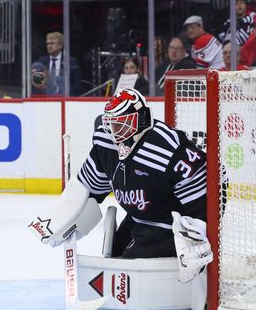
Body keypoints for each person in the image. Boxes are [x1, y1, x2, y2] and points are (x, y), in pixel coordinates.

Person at [28, 88, 211, 281]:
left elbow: (206, 190)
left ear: (142, 119)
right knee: (115, 253)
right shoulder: (105, 141)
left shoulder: (168, 147)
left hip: (168, 224)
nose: (115, 132)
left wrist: (195, 231)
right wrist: (65, 217)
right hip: (138, 219)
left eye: (122, 124)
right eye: (112, 123)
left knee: (126, 267)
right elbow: (88, 189)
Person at [36, 31, 81, 95]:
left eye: (52, 43)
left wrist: (65, 94)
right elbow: (36, 85)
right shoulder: (41, 62)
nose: (49, 46)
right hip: (45, 100)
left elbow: (77, 85)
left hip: (65, 100)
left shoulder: (71, 61)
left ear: (60, 46)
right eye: (47, 44)